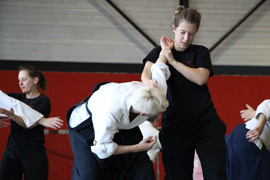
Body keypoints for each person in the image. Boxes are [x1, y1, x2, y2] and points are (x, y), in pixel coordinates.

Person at [141, 6, 227, 180]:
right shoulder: (159, 51)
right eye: (182, 32)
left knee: (216, 174)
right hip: (175, 126)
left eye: (191, 34)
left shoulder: (200, 52)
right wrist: (148, 80)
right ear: (174, 28)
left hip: (205, 123)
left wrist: (172, 61)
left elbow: (201, 78)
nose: (186, 38)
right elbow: (146, 72)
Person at [67, 48, 170, 180]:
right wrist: (137, 147)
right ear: (143, 114)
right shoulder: (110, 109)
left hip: (124, 126)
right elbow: (102, 149)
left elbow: (159, 68)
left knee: (142, 171)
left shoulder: (157, 92)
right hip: (87, 127)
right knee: (90, 175)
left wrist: (164, 51)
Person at [0, 65, 63, 180]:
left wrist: (12, 115)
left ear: (35, 80)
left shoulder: (43, 101)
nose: (20, 83)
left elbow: (30, 124)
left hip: (33, 154)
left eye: (24, 79)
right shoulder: (16, 98)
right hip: (12, 153)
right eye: (18, 80)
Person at [226, 100, 270, 180]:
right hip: (249, 141)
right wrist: (259, 127)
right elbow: (267, 104)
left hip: (236, 138)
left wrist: (254, 113)